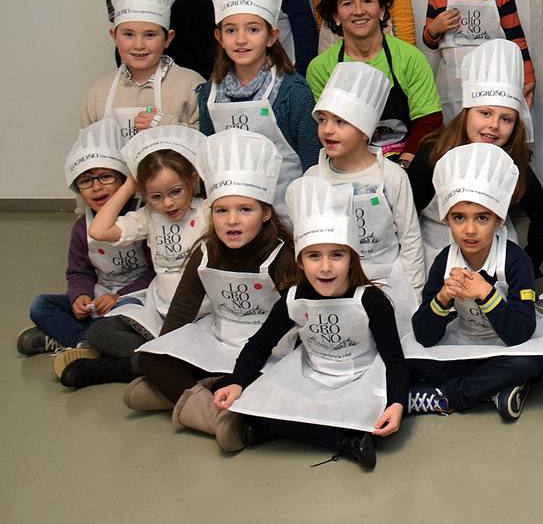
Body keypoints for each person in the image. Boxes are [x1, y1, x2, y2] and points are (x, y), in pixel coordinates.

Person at [214, 177, 407, 470]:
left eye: (337, 255)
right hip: (313, 373)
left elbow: (395, 361)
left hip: (361, 376)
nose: (326, 267)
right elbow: (260, 343)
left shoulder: (373, 301)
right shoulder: (293, 299)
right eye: (314, 256)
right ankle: (347, 441)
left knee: (378, 419)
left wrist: (396, 404)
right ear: (301, 261)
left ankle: (286, 431)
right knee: (254, 404)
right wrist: (238, 381)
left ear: (351, 259)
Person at [132, 131, 297, 445]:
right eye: (222, 211)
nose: (232, 221)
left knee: (270, 384)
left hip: (266, 353)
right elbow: (182, 310)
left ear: (265, 213)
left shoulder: (282, 256)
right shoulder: (206, 250)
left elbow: (300, 319)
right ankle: (218, 417)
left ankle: (176, 395)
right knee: (149, 357)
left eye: (244, 210)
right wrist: (166, 352)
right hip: (219, 339)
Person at [401, 143, 543, 420]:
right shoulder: (444, 261)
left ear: (498, 220)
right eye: (459, 218)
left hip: (506, 348)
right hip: (463, 344)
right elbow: (423, 335)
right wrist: (442, 299)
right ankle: (493, 390)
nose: (470, 229)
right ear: (447, 220)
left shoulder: (517, 262)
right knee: (411, 360)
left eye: (482, 218)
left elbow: (520, 334)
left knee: (533, 362)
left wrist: (487, 294)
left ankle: (447, 396)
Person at [56, 126, 206, 389]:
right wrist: (128, 186)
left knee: (203, 352)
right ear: (144, 194)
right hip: (159, 310)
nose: (168, 204)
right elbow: (99, 230)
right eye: (156, 196)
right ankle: (160, 360)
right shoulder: (149, 216)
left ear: (193, 181)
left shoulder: (207, 212)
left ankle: (122, 367)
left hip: (201, 314)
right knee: (101, 332)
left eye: (175, 192)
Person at [407, 40, 543, 271]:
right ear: (466, 113)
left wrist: (527, 268)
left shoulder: (512, 161)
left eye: (506, 119)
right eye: (485, 113)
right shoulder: (433, 152)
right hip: (435, 257)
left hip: (495, 264)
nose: (494, 125)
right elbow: (407, 216)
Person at [196, 0, 318, 220]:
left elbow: (312, 168)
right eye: (231, 30)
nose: (241, 39)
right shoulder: (208, 95)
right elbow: (207, 166)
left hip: (287, 220)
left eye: (252, 29)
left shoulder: (293, 93)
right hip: (232, 226)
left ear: (272, 36)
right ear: (219, 37)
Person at [18, 120, 151, 356]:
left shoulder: (141, 217)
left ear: (123, 182)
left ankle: (69, 337)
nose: (96, 187)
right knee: (41, 305)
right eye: (86, 181)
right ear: (78, 189)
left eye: (106, 177)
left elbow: (155, 272)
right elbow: (79, 272)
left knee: (124, 314)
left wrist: (119, 296)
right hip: (100, 298)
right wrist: (80, 296)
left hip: (136, 298)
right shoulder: (81, 227)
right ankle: (84, 342)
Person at [304, 62, 424, 312]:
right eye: (323, 119)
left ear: (365, 131)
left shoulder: (391, 176)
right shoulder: (313, 178)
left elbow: (409, 239)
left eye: (340, 122)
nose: (327, 129)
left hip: (389, 287)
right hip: (334, 290)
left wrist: (415, 296)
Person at [307, 0, 442, 165]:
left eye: (367, 0)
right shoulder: (321, 69)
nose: (359, 11)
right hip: (348, 164)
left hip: (407, 161)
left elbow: (429, 122)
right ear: (335, 15)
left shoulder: (410, 58)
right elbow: (325, 133)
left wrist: (402, 169)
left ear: (381, 9)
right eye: (347, 3)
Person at [81, 0, 202, 142]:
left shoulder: (191, 85)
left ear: (168, 38)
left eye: (150, 35)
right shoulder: (97, 94)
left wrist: (168, 125)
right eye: (128, 34)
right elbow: (86, 155)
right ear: (114, 36)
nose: (139, 45)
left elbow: (209, 145)